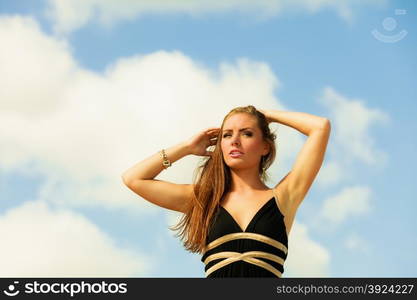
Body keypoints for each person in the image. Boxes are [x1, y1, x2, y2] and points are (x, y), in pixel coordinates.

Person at [121, 105, 331, 277]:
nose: (235, 141)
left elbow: (320, 127)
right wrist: (186, 148)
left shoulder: (284, 197)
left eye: (247, 133)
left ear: (265, 147)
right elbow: (133, 178)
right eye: (227, 135)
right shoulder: (204, 199)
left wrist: (267, 116)